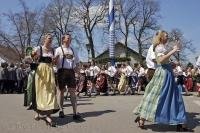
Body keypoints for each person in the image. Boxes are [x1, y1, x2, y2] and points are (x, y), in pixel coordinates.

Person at [133, 30, 190, 132]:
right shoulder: (158, 47)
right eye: (166, 36)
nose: (168, 37)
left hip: (167, 73)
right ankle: (143, 117)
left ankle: (180, 122)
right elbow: (160, 61)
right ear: (161, 37)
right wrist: (172, 51)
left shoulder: (162, 47)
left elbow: (164, 61)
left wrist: (171, 62)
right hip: (162, 74)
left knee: (172, 97)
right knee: (157, 96)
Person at [32, 33, 59, 127]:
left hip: (50, 71)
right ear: (44, 39)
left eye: (51, 38)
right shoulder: (38, 48)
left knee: (50, 92)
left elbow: (55, 63)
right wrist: (34, 56)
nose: (50, 40)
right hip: (40, 72)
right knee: (40, 92)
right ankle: (38, 111)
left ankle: (48, 115)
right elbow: (32, 59)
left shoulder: (53, 50)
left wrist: (55, 60)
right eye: (49, 38)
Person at [55, 33, 82, 120]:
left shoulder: (73, 50)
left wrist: (78, 72)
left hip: (71, 71)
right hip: (61, 71)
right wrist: (55, 60)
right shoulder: (58, 49)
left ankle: (75, 113)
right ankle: (61, 110)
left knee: (73, 92)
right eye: (68, 38)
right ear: (63, 39)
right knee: (61, 92)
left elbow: (77, 62)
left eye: (70, 38)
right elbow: (54, 62)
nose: (70, 40)